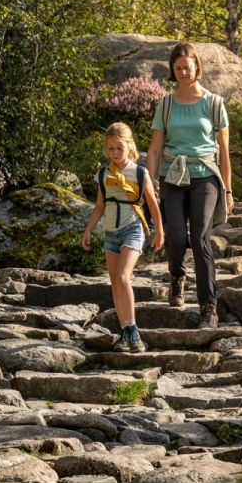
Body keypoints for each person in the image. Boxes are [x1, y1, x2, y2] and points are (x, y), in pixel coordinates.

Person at [146, 42, 232, 329]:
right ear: (173, 71)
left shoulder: (214, 103)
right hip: (172, 175)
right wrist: (151, 182)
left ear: (197, 67)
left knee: (200, 238)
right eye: (177, 68)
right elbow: (156, 148)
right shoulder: (166, 103)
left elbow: (224, 152)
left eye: (187, 67)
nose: (183, 72)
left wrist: (228, 190)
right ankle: (177, 276)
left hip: (205, 175)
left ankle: (209, 307)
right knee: (176, 237)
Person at [81, 122, 164, 352]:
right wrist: (88, 229)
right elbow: (99, 206)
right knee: (115, 283)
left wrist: (160, 230)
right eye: (110, 148)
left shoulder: (139, 172)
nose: (115, 153)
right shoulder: (103, 174)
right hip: (111, 233)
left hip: (133, 229)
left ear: (129, 146)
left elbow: (152, 203)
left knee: (123, 277)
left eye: (119, 148)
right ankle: (125, 331)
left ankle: (134, 331)